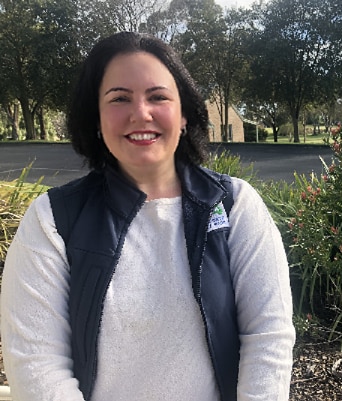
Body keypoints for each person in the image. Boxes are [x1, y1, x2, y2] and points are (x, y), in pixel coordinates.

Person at [0, 31, 295, 401]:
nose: (141, 113)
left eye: (158, 97)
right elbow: (36, 362)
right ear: (96, 116)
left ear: (184, 113)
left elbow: (269, 335)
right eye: (120, 98)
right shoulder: (52, 220)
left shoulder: (235, 205)